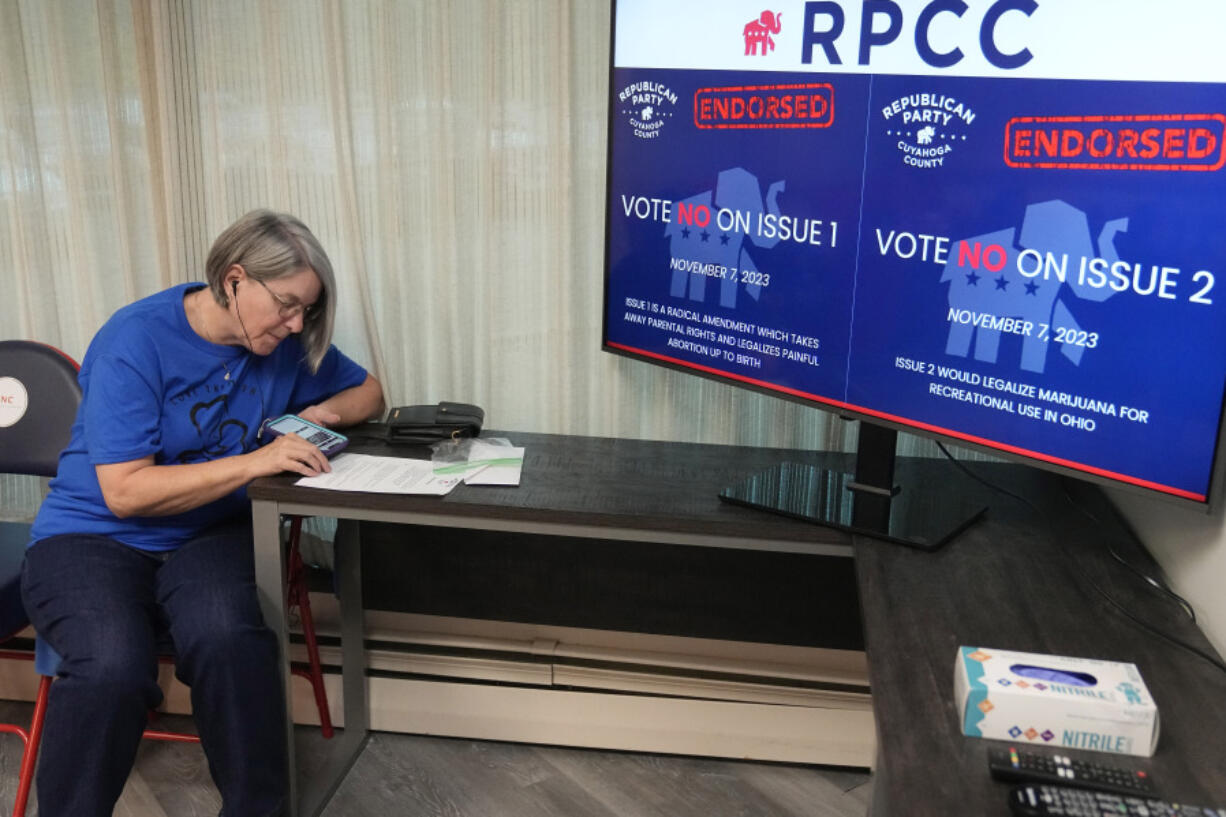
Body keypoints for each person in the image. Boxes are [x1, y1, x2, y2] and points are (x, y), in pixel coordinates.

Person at [21, 209, 385, 817]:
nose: (297, 324)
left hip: (209, 531)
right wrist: (255, 461)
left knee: (230, 640)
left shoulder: (280, 343)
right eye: (288, 305)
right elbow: (125, 492)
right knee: (111, 665)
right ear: (236, 279)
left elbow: (370, 392)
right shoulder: (135, 338)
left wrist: (319, 417)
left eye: (308, 311)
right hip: (92, 535)